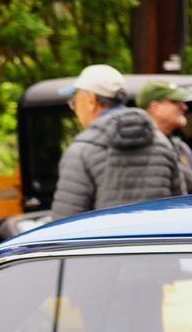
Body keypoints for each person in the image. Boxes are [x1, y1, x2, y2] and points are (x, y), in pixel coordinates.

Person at [49, 64, 180, 219]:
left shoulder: (82, 150)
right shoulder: (161, 142)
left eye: (75, 101)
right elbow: (180, 206)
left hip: (106, 236)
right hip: (158, 234)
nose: (75, 108)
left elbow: (65, 221)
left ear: (91, 100)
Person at [137, 81, 192, 195]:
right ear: (155, 107)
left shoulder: (179, 146)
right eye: (175, 102)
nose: (184, 107)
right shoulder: (139, 146)